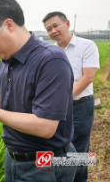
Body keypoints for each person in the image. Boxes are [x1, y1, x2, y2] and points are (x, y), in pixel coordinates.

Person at [0, 0, 76, 182]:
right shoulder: (4, 61)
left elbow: (45, 127)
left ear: (9, 25)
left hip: (44, 162)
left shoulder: (51, 60)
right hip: (13, 159)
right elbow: (1, 101)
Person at [43, 11, 100, 182]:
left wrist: (62, 101)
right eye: (48, 29)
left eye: (55, 26)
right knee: (56, 149)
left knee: (79, 151)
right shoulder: (49, 51)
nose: (52, 31)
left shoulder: (87, 45)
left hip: (80, 107)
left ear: (67, 23)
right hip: (55, 110)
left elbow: (88, 77)